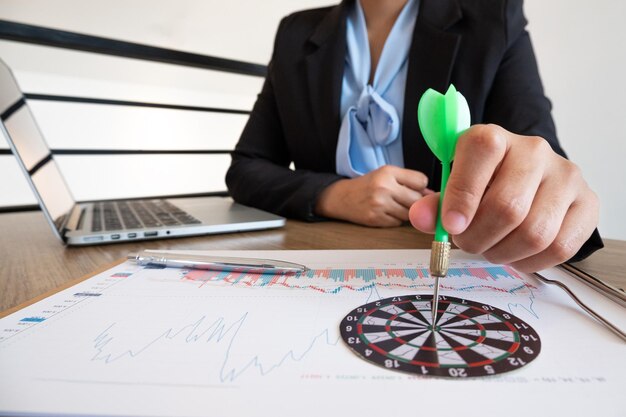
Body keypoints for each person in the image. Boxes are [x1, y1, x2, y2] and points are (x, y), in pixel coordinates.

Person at [226, 0, 603, 272]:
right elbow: (246, 168)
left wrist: (549, 189)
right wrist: (331, 195)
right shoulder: (296, 31)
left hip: (457, 261)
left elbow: (537, 159)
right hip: (318, 258)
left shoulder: (494, 15)